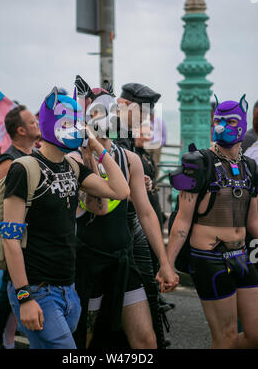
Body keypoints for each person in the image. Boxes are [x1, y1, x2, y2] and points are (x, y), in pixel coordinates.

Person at [2, 87, 130, 349]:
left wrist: (96, 146)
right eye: (68, 122)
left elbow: (121, 190)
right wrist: (24, 297)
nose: (75, 129)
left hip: (68, 289)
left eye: (77, 123)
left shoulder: (72, 167)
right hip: (38, 290)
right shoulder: (24, 169)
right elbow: (10, 239)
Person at [73, 76, 178, 350]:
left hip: (122, 259)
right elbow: (100, 206)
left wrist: (165, 263)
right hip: (88, 263)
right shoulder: (73, 159)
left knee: (146, 341)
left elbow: (146, 213)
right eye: (96, 113)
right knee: (85, 339)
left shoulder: (128, 157)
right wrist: (92, 153)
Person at [167, 94, 258, 349]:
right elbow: (182, 221)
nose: (221, 126)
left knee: (254, 335)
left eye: (229, 121)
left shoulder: (251, 167)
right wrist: (167, 264)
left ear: (240, 124)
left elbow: (254, 223)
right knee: (225, 338)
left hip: (242, 255)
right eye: (218, 120)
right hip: (209, 259)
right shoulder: (199, 163)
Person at [115, 82, 174, 347]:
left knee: (148, 326)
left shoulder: (127, 135)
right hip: (99, 243)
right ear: (124, 105)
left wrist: (141, 182)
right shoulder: (102, 134)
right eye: (143, 114)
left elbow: (145, 210)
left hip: (131, 229)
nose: (146, 121)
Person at [0, 105, 41, 349]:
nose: (38, 124)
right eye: (33, 122)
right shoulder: (10, 160)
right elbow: (0, 206)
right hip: (15, 239)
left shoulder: (34, 155)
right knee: (10, 289)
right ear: (20, 130)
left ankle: (7, 338)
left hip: (33, 239)